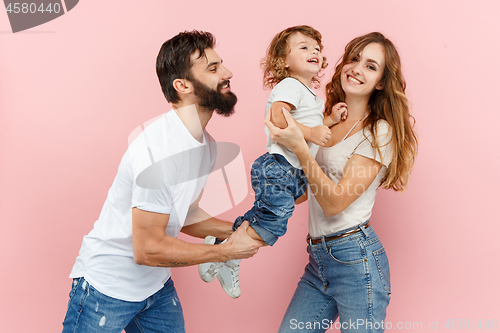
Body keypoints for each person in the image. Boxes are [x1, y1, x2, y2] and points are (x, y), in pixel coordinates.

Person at [61, 30, 264, 333]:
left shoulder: (205, 145)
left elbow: (184, 215)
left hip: (155, 289)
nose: (227, 73)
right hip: (106, 289)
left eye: (221, 64)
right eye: (213, 68)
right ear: (182, 86)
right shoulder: (157, 151)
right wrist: (224, 252)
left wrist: (238, 229)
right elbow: (149, 249)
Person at [265, 32, 418, 332]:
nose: (357, 68)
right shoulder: (325, 119)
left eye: (371, 66)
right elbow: (303, 192)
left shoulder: (379, 133)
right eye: (354, 58)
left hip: (356, 261)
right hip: (318, 259)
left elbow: (334, 203)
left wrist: (299, 145)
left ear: (382, 82)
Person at [198, 25, 348, 298]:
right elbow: (280, 119)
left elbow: (306, 127)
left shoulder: (307, 92)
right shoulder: (290, 86)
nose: (313, 51)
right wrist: (314, 131)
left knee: (265, 217)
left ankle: (225, 243)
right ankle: (225, 253)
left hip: (293, 173)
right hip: (280, 168)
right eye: (303, 47)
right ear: (283, 62)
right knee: (273, 224)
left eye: (317, 48)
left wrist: (328, 122)